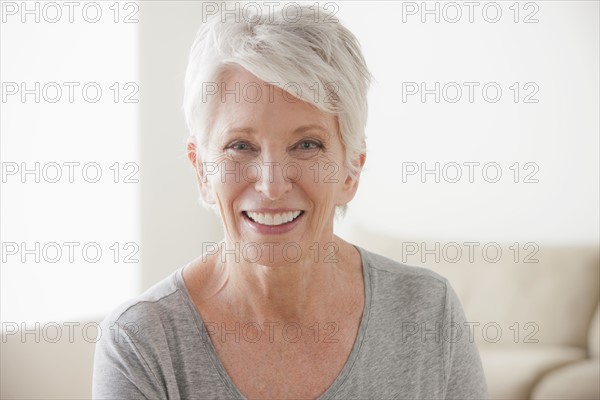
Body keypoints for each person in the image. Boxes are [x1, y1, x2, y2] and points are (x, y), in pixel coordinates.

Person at [92, 4, 488, 399]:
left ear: (351, 170)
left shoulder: (428, 312)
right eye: (241, 146)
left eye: (307, 145)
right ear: (202, 172)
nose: (272, 184)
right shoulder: (140, 342)